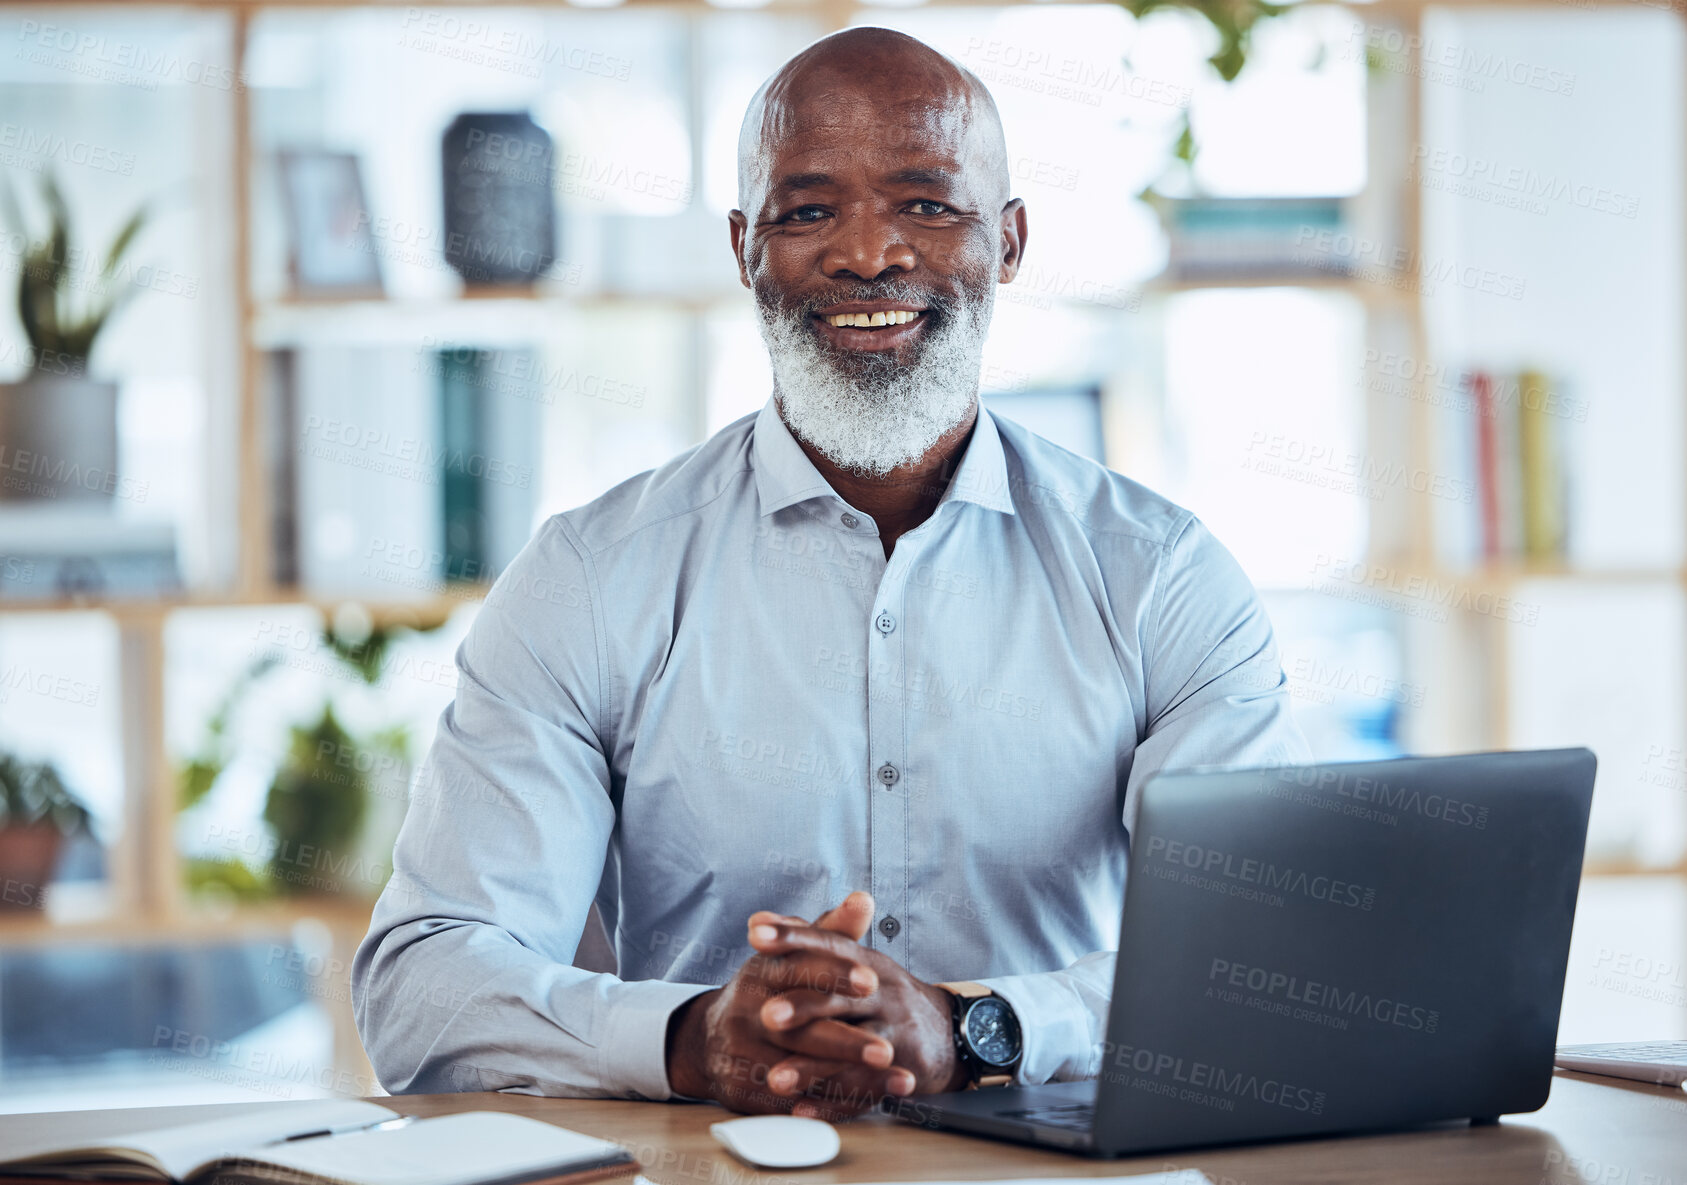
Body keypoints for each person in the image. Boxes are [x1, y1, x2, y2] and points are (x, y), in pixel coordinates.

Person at [352, 25, 1308, 1121]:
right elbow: (417, 991)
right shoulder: (589, 578)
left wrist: (977, 1028)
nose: (868, 253)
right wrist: (689, 1039)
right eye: (807, 211)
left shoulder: (1159, 578)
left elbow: (1267, 957)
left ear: (1009, 241)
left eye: (927, 205)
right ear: (743, 248)